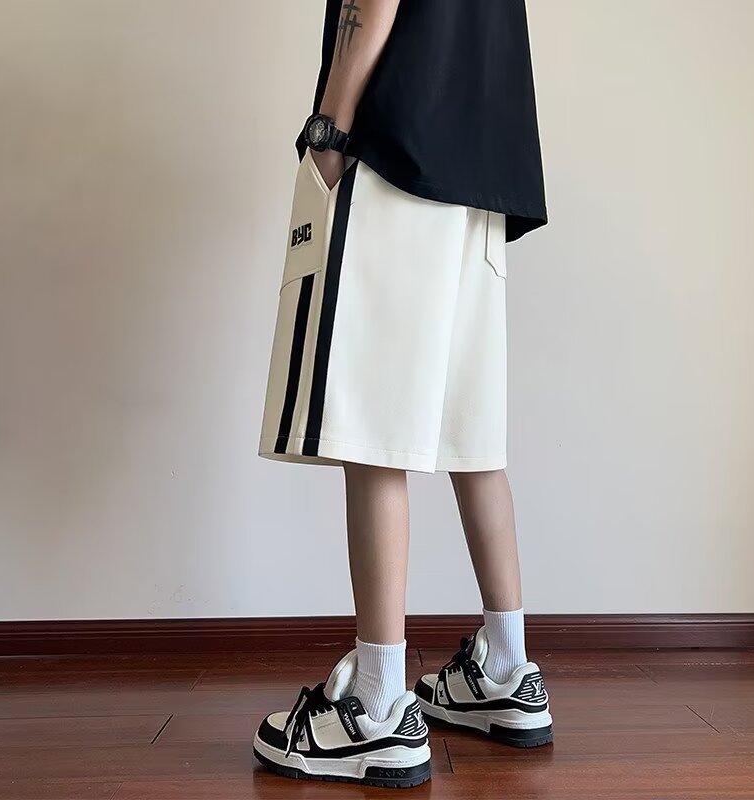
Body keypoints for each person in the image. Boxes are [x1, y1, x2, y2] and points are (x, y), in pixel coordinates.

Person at [253, 0, 551, 788]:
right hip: (482, 174)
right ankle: (506, 670)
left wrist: (328, 129)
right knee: (469, 433)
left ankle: (376, 706)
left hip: (395, 152)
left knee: (375, 431)